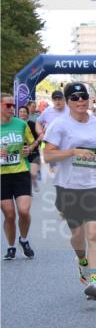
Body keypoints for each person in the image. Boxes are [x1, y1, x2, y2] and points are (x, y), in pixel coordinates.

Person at [41, 82, 96, 300]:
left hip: (93, 185)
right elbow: (48, 156)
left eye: (84, 97)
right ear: (68, 101)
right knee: (77, 235)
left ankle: (95, 281)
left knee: (95, 234)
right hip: (68, 187)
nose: (80, 101)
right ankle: (81, 259)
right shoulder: (59, 125)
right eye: (75, 97)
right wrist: (73, 151)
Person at [2, 95, 38, 260]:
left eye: (13, 105)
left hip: (21, 172)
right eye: (8, 105)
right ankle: (11, 247)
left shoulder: (21, 124)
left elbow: (34, 143)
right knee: (9, 214)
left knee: (23, 211)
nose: (12, 108)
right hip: (2, 176)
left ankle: (23, 240)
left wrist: (29, 149)